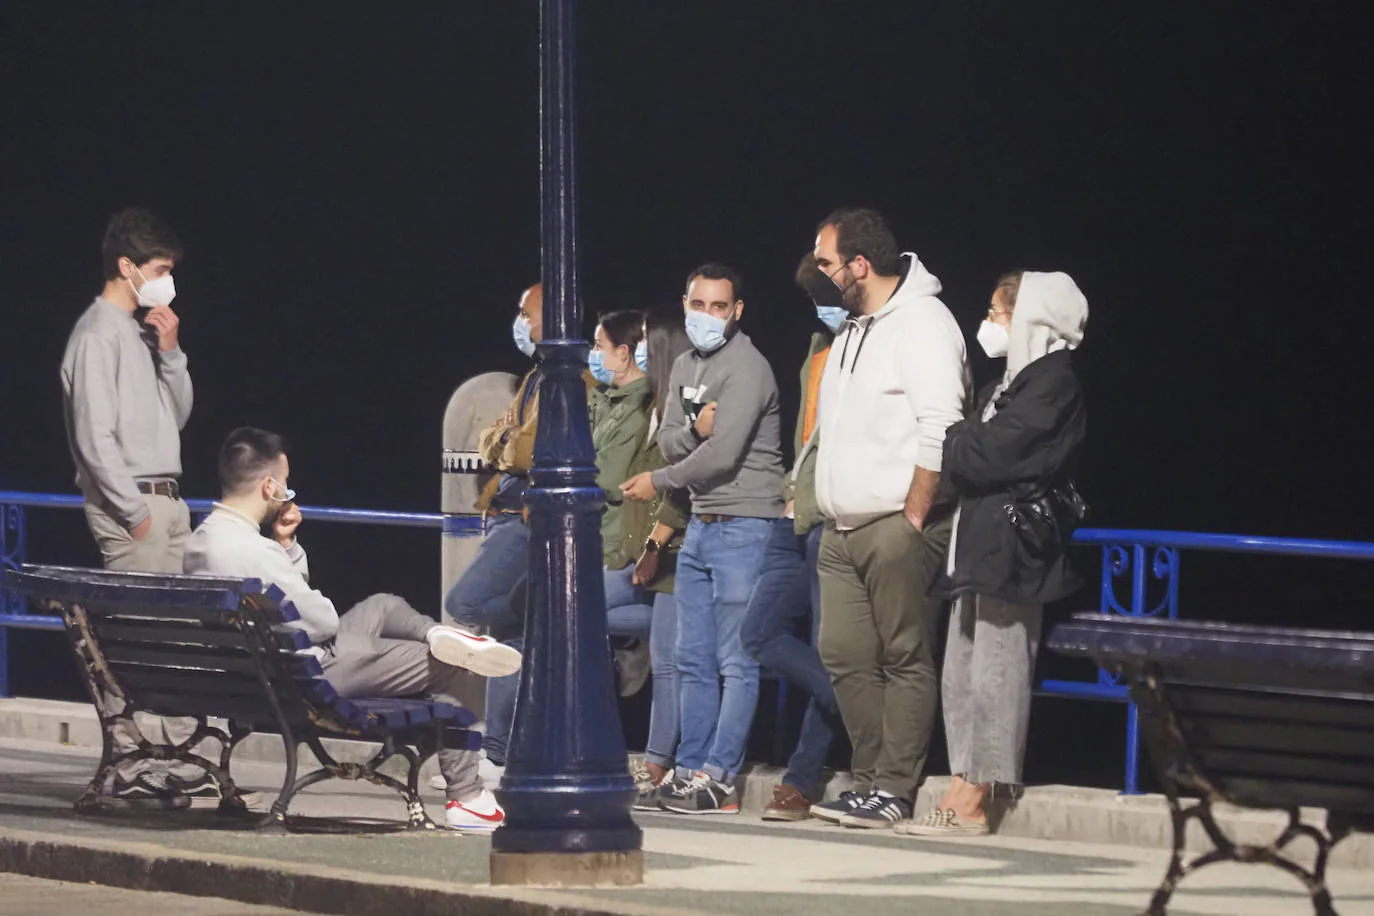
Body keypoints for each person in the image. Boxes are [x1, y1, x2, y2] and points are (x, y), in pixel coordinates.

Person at [184, 427, 522, 831]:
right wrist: (285, 552)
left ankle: (435, 633)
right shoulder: (256, 553)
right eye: (286, 484)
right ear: (269, 486)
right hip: (309, 677)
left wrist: (286, 545)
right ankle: (467, 796)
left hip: (262, 671)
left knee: (381, 605)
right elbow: (323, 619)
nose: (288, 493)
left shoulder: (199, 542)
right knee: (457, 665)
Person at [898, 271, 1088, 838]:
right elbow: (972, 450)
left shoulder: (1053, 385)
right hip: (977, 547)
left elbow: (987, 455)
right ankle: (962, 778)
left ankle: (977, 795)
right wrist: (964, 442)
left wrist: (956, 439)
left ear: (1030, 318)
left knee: (998, 671)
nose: (990, 324)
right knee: (962, 670)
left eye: (998, 313)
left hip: (1014, 552)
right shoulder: (1010, 385)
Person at [809, 208, 970, 829]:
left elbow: (941, 425)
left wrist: (913, 517)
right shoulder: (855, 327)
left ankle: (894, 788)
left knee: (904, 655)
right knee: (844, 654)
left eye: (826, 263)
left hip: (895, 526)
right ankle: (869, 780)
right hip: (840, 529)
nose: (818, 274)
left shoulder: (924, 323)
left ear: (858, 264)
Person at [622, 263, 786, 814]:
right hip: (701, 525)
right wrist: (695, 429)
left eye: (721, 307)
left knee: (735, 661)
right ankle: (688, 769)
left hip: (744, 525)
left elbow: (723, 454)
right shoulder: (687, 366)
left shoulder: (748, 368)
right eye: (700, 305)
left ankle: (719, 777)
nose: (709, 316)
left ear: (737, 311)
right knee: (692, 658)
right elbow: (673, 440)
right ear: (686, 304)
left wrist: (659, 482)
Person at [59, 207, 201, 806]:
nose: (167, 281)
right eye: (160, 269)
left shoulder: (140, 335)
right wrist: (132, 511)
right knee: (140, 635)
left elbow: (177, 420)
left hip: (167, 498)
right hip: (135, 507)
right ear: (127, 267)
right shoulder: (96, 334)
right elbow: (95, 438)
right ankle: (139, 760)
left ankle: (163, 758)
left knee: (171, 636)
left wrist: (170, 352)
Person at [476, 310, 655, 778]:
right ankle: (501, 749)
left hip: (617, 549)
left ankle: (529, 748)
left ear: (623, 352)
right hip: (582, 543)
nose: (591, 355)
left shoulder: (642, 406)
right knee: (518, 613)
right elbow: (546, 449)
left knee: (547, 617)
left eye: (599, 346)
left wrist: (568, 477)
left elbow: (600, 473)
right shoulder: (599, 398)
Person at [740, 254, 848, 821]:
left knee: (830, 646)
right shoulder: (816, 350)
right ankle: (851, 698)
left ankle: (801, 781)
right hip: (793, 513)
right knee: (758, 633)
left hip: (833, 516)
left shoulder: (871, 350)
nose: (822, 308)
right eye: (814, 299)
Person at [608, 306, 693, 808]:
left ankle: (658, 761)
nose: (632, 355)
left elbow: (679, 489)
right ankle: (627, 658)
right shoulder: (652, 409)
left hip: (675, 554)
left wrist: (654, 549)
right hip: (645, 555)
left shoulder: (682, 409)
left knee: (668, 660)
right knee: (575, 608)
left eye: (642, 347)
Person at [443, 284, 546, 641]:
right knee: (507, 635)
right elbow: (489, 439)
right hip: (504, 513)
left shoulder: (566, 381)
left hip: (524, 518)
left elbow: (523, 453)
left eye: (525, 314)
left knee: (463, 604)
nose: (519, 322)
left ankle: (555, 610)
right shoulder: (535, 377)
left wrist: (506, 439)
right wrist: (505, 438)